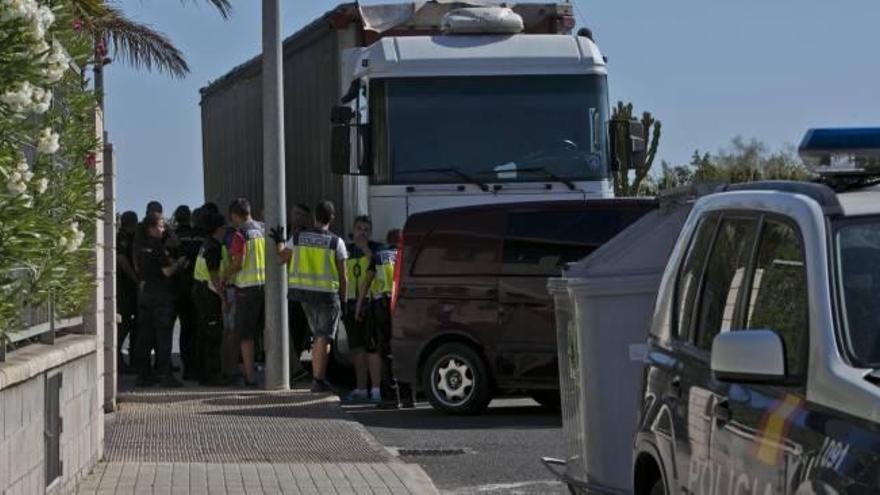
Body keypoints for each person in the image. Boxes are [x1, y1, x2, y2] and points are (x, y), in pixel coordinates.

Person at [270, 200, 347, 393]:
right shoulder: (336, 242)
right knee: (323, 339)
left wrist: (279, 240)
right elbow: (343, 276)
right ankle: (318, 380)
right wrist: (344, 301)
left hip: (304, 296)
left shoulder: (298, 237)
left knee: (318, 337)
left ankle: (317, 378)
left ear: (314, 218)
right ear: (332, 219)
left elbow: (281, 258)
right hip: (327, 298)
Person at [355, 229, 415, 408]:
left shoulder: (379, 256)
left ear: (387, 240)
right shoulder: (408, 257)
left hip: (383, 307)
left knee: (386, 352)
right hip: (403, 306)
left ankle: (390, 397)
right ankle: (408, 397)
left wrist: (358, 308)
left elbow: (365, 284)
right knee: (404, 350)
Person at [135, 213, 188, 388]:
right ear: (151, 228)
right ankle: (166, 375)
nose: (163, 229)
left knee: (146, 336)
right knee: (163, 337)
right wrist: (179, 263)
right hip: (161, 297)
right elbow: (167, 271)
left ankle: (143, 375)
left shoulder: (141, 246)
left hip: (146, 293)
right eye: (161, 226)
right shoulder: (158, 247)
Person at [224, 198, 266, 387]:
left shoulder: (240, 234)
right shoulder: (263, 228)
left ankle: (250, 377)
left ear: (235, 215)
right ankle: (277, 371)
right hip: (266, 288)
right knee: (268, 331)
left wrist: (225, 274)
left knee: (246, 336)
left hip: (246, 290)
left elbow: (238, 262)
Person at [344, 215, 383, 403]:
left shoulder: (376, 249)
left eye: (366, 229)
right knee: (356, 349)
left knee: (372, 349)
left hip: (370, 304)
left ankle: (375, 390)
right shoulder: (347, 250)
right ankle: (361, 389)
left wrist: (365, 248)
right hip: (351, 304)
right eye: (359, 228)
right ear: (353, 229)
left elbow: (375, 265)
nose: (363, 232)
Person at [192, 211, 229, 386]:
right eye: (224, 228)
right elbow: (214, 276)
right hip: (208, 293)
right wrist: (223, 298)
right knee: (212, 336)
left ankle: (202, 373)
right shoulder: (213, 247)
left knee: (204, 334)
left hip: (201, 291)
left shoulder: (206, 244)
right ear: (218, 229)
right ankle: (212, 375)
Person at [172, 205, 203, 381]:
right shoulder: (202, 236)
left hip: (180, 286)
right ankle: (197, 366)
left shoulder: (175, 237)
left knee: (186, 328)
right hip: (198, 285)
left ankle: (188, 367)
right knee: (197, 328)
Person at [287, 203, 313, 383]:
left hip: (300, 290)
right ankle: (290, 368)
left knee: (297, 330)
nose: (297, 218)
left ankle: (293, 369)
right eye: (295, 214)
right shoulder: (283, 232)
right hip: (282, 289)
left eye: (301, 216)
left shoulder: (308, 237)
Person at [116, 211, 140, 373]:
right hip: (125, 288)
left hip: (130, 288)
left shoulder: (131, 237)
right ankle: (118, 360)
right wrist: (135, 278)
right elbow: (122, 261)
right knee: (125, 324)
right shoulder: (122, 238)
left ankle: (133, 361)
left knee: (133, 325)